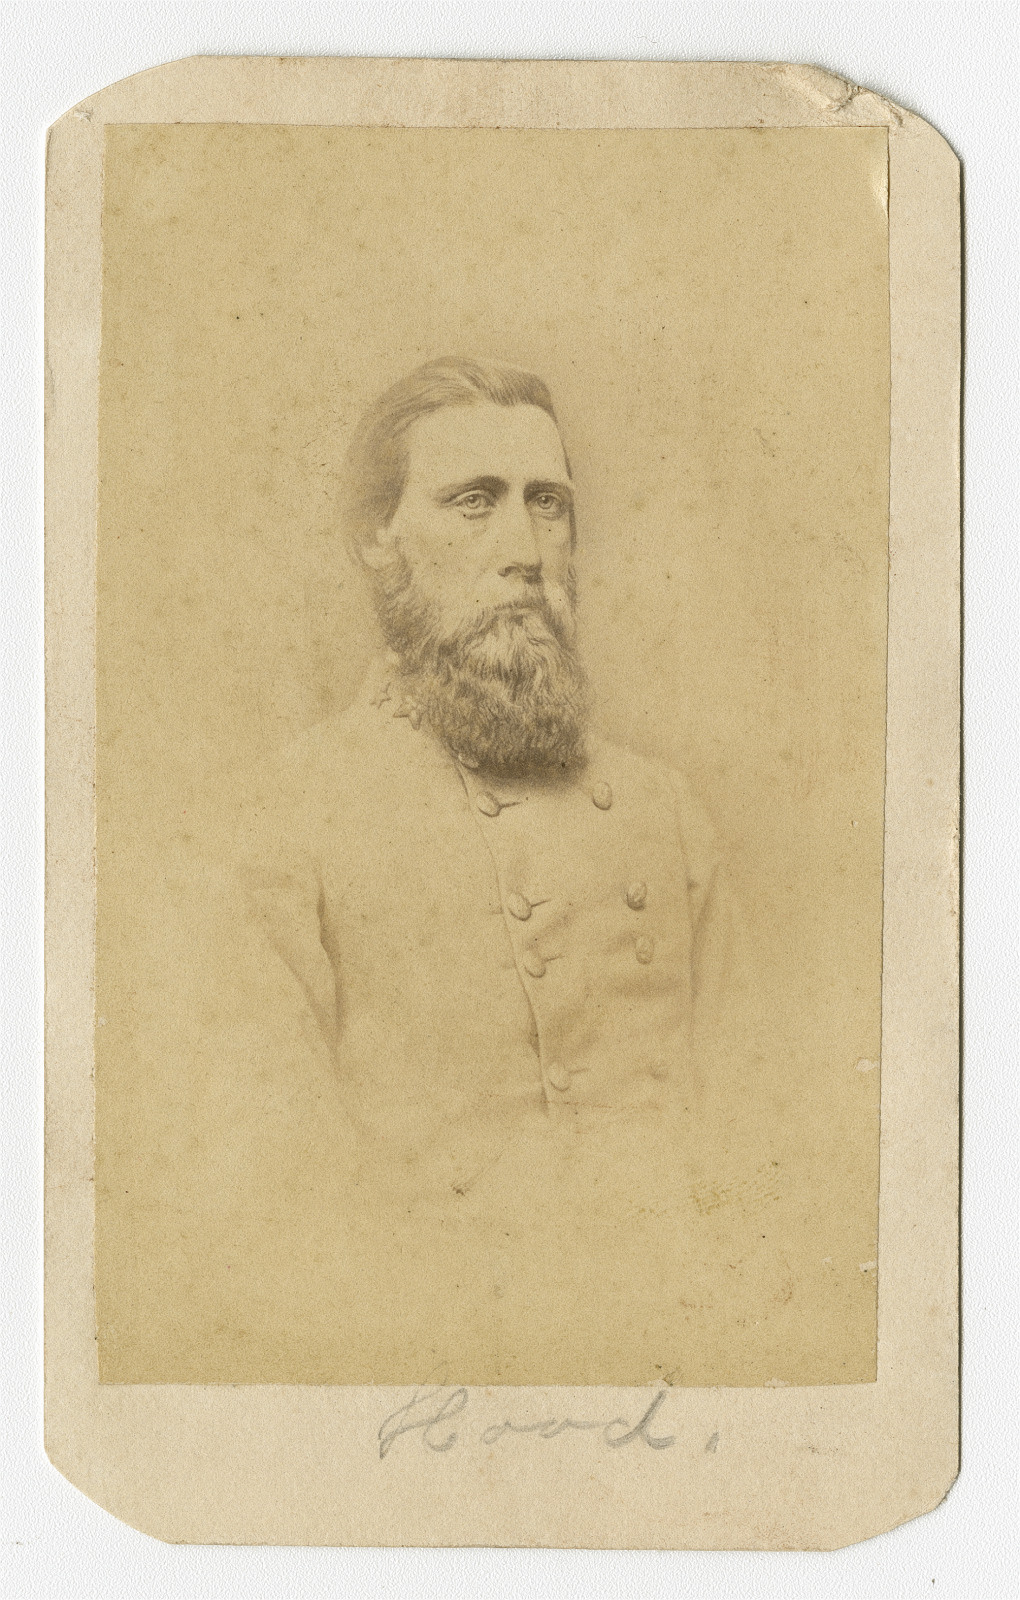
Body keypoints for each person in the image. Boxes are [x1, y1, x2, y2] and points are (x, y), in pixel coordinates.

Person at [229, 356, 734, 1192]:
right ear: (376, 540)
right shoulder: (292, 814)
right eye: (473, 502)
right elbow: (285, 1192)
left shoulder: (666, 810)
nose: (525, 552)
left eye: (549, 505)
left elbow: (760, 1139)